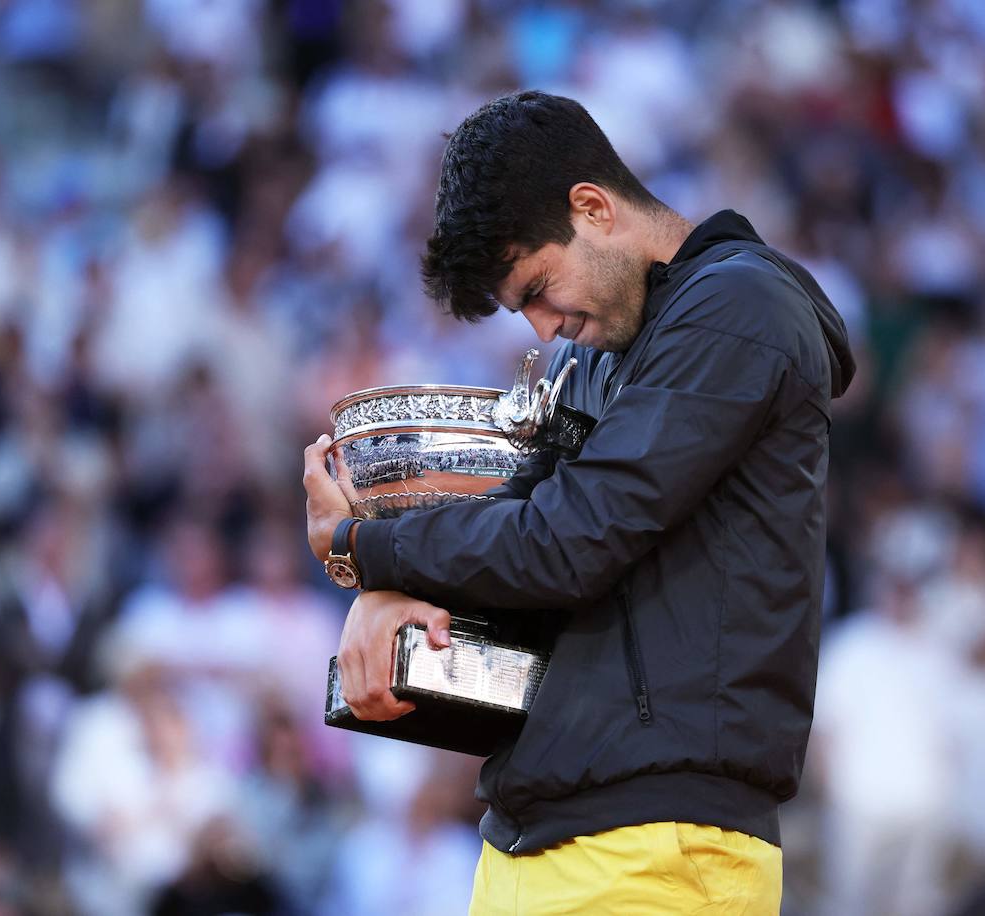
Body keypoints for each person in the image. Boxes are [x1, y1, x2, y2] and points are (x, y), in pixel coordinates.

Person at [302, 90, 854, 914]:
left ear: (592, 207)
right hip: (530, 841)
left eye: (538, 288)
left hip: (662, 850)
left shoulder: (740, 308)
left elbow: (568, 540)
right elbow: (517, 544)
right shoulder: (593, 358)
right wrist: (387, 594)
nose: (542, 327)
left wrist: (365, 548)